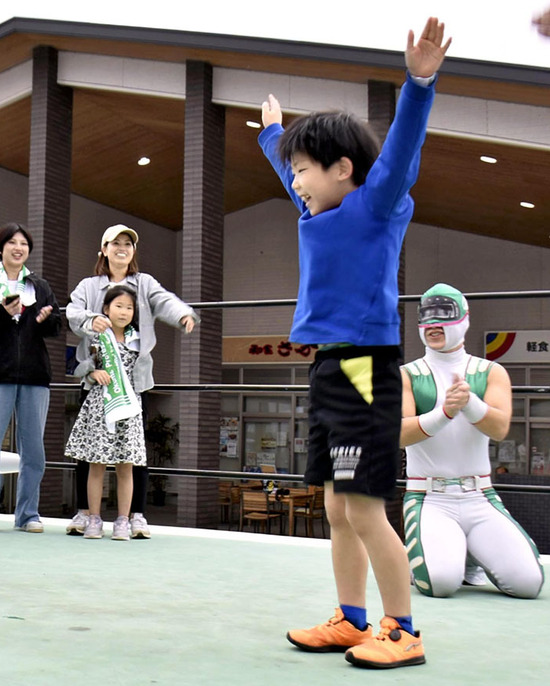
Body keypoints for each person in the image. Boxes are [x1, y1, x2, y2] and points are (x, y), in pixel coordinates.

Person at [259, 17, 451, 669]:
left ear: (344, 170)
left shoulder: (375, 205)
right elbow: (290, 177)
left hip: (367, 368)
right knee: (339, 504)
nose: (298, 182)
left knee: (364, 504)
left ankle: (402, 630)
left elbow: (399, 150)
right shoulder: (317, 210)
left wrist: (419, 82)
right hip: (331, 368)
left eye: (307, 170)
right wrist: (273, 136)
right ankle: (351, 617)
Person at [401, 283, 544, 599]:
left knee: (527, 584)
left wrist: (470, 403)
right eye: (427, 316)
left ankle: (470, 551)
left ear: (463, 319)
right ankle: (435, 553)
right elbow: (397, 433)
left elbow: (500, 428)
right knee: (440, 583)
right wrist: (444, 412)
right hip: (429, 497)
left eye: (443, 315)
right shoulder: (407, 374)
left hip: (480, 495)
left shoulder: (490, 371)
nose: (434, 325)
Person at [65, 224, 197, 540]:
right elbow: (72, 311)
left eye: (128, 244)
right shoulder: (89, 286)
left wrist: (182, 314)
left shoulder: (144, 283)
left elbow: (165, 300)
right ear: (104, 249)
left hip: (134, 384)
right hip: (98, 382)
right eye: (116, 243)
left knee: (133, 452)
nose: (122, 248)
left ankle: (135, 515)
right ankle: (86, 513)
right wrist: (88, 320)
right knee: (90, 452)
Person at [0, 223, 61, 534]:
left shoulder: (40, 285)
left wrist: (44, 319)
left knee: (34, 448)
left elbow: (56, 326)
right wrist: (2, 311)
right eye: (12, 242)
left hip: (36, 375)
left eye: (24, 243)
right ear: (1, 248)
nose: (18, 247)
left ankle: (28, 514)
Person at [66, 285, 145, 540]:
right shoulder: (95, 336)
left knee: (126, 466)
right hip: (100, 405)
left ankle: (123, 520)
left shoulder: (139, 341)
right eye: (118, 306)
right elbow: (77, 368)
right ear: (105, 309)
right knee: (96, 464)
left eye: (129, 307)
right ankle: (94, 518)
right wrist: (91, 372)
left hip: (129, 406)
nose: (124, 312)